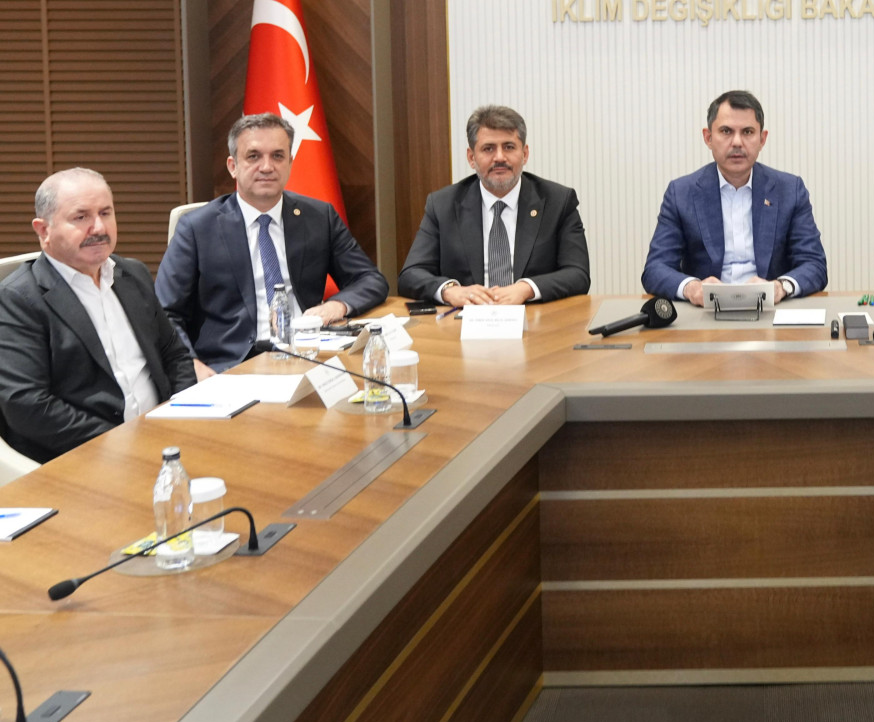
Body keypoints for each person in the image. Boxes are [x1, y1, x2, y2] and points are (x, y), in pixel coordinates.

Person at [157, 113, 388, 370]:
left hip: (310, 354)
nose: (267, 167)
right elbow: (165, 312)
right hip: (230, 366)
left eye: (277, 156)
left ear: (290, 162)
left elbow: (370, 279)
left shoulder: (318, 217)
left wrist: (337, 305)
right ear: (233, 166)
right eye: (253, 156)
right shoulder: (197, 228)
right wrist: (192, 365)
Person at [0, 169, 197, 463]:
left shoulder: (133, 274)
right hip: (83, 456)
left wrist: (181, 418)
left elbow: (175, 355)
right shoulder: (18, 299)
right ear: (43, 231)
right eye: (81, 217)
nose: (99, 227)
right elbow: (27, 405)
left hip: (164, 440)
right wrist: (122, 443)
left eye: (105, 213)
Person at [642, 90, 826, 305]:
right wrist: (693, 289)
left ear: (762, 139)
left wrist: (780, 287)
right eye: (726, 131)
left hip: (771, 309)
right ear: (708, 138)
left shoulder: (790, 190)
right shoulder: (681, 193)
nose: (737, 142)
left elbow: (814, 265)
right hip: (705, 312)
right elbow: (655, 269)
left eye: (747, 132)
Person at [400, 105, 589, 307]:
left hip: (535, 319)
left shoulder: (558, 201)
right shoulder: (442, 205)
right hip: (465, 320)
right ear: (471, 158)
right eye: (488, 149)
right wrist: (450, 290)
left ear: (525, 154)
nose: (499, 157)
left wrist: (526, 288)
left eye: (509, 147)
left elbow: (578, 274)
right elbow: (411, 274)